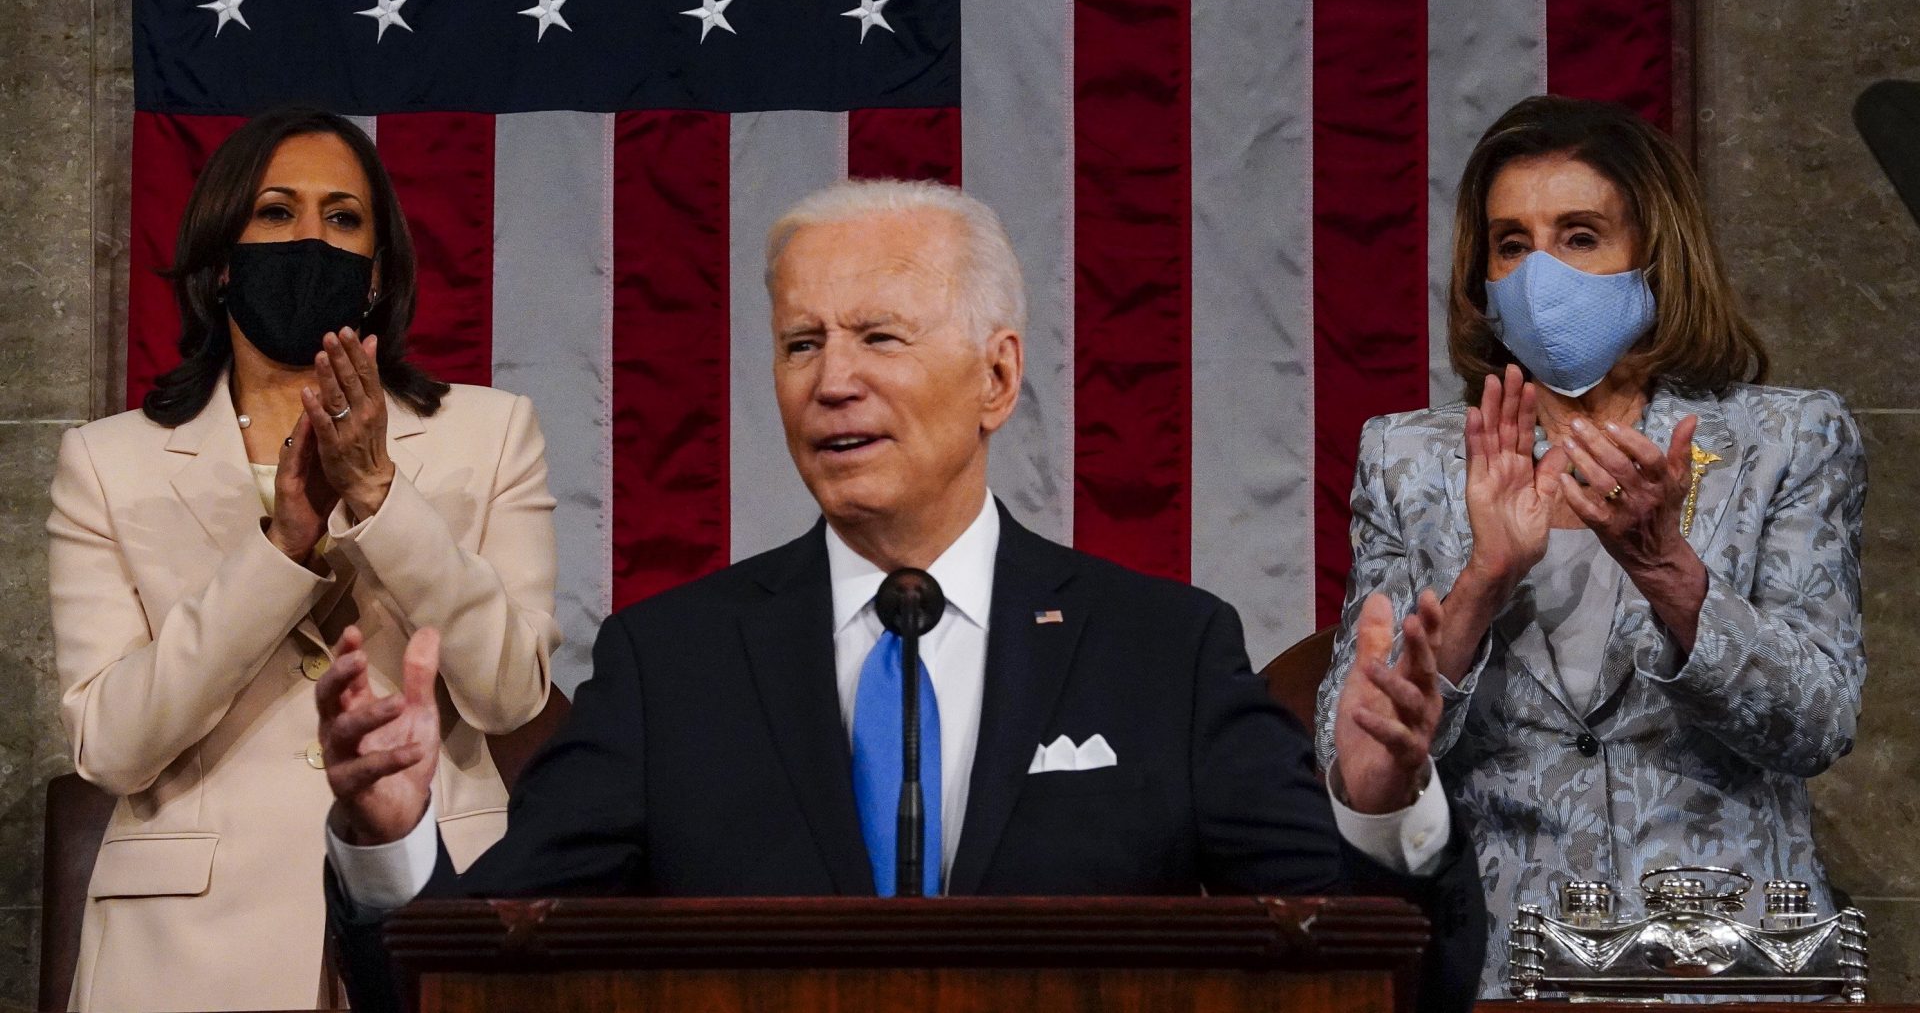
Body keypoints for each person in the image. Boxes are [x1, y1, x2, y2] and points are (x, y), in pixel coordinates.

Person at [319, 179, 1486, 1012]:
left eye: (880, 334)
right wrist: (391, 841)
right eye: (798, 344)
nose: (833, 381)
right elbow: (462, 976)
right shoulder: (666, 668)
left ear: (996, 375)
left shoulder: (1163, 651)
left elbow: (1382, 978)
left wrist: (1383, 814)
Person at [1313, 95, 1866, 997]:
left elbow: (1817, 720)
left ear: (1656, 256)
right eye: (1511, 244)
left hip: (1732, 968)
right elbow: (1353, 763)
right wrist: (1481, 583)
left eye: (1579, 236)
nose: (1540, 274)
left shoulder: (1790, 439)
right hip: (1501, 970)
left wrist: (1669, 572)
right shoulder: (1409, 459)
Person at [47, 107, 562, 1012]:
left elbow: (511, 692)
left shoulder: (492, 434)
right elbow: (113, 746)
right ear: (220, 261)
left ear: (373, 275)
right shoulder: (105, 462)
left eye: (343, 217)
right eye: (277, 212)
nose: (310, 237)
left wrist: (378, 497)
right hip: (187, 955)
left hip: (428, 912)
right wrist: (282, 544)